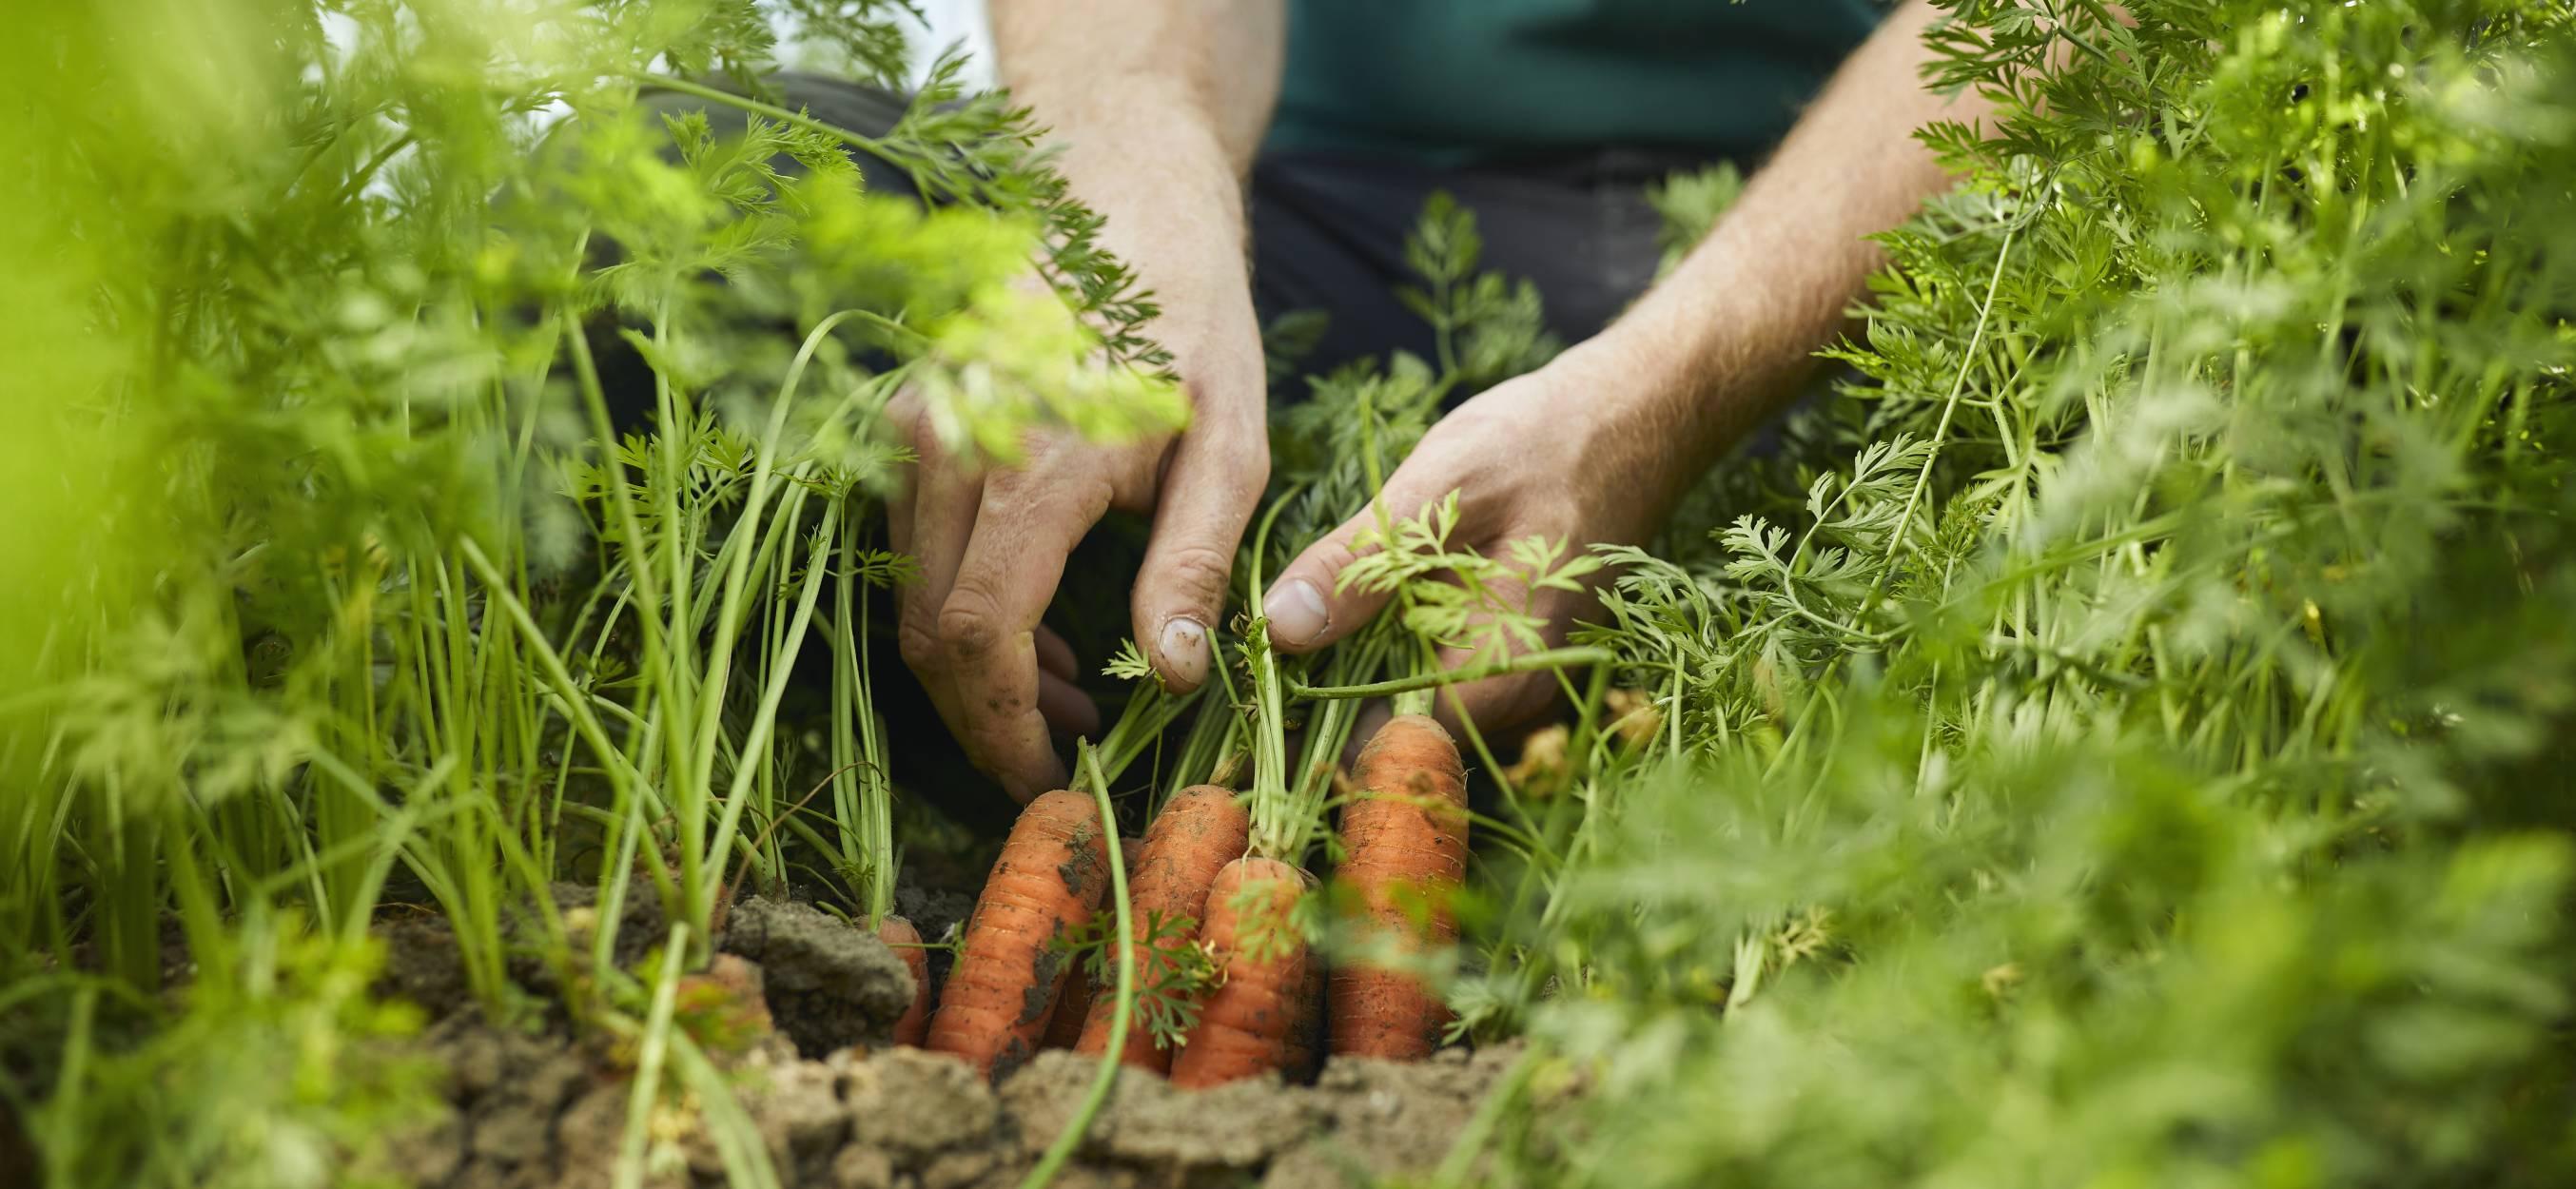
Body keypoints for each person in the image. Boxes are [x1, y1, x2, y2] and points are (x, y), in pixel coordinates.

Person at [885, 0, 1989, 802]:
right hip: (1300, 200)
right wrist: (1126, 220)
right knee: (780, 214)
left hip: (1837, 236)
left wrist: (1660, 405)